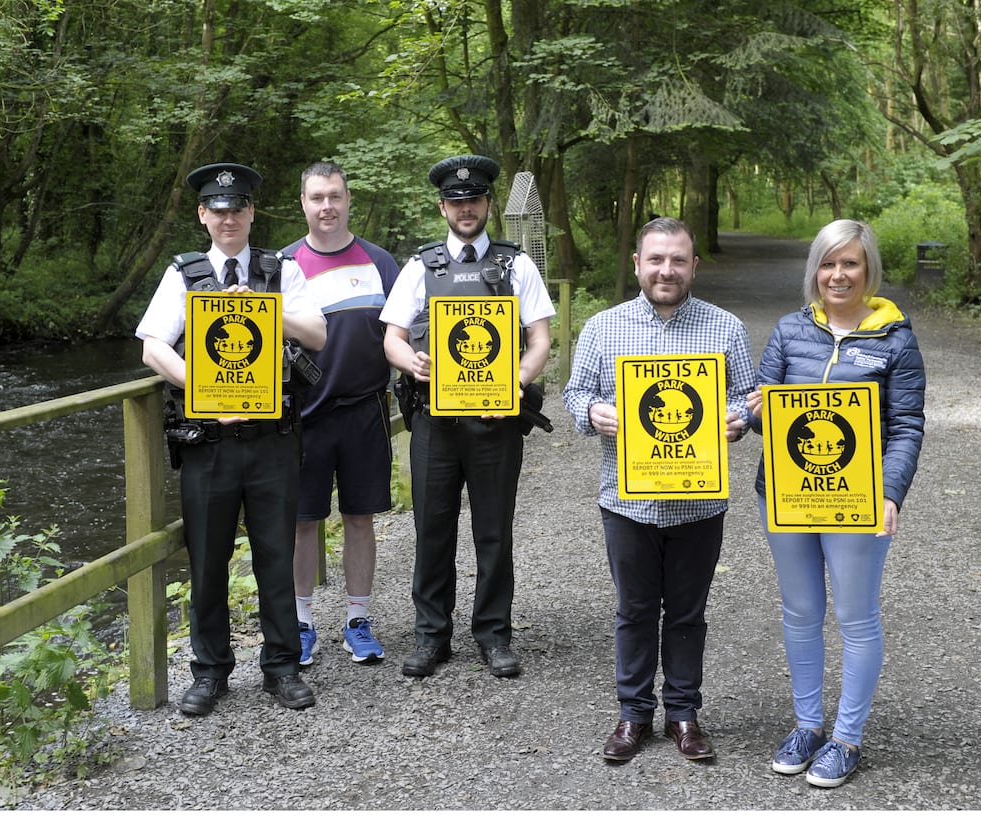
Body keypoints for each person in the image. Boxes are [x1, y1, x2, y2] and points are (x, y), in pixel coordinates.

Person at [562, 217, 757, 763]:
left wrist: (737, 417)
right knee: (635, 609)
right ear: (638, 265)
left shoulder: (726, 329)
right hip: (627, 499)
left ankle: (684, 714)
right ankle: (632, 714)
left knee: (689, 612)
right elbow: (574, 392)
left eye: (677, 260)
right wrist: (592, 412)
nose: (665, 270)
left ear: (693, 265)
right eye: (656, 260)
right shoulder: (604, 328)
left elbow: (750, 397)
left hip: (698, 498)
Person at [136, 162, 326, 716]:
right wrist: (201, 387)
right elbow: (152, 346)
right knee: (207, 559)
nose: (229, 219)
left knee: (274, 554)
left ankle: (282, 668)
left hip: (272, 439)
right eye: (218, 210)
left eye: (238, 209)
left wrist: (265, 310)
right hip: (209, 441)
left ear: (250, 214)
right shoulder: (184, 273)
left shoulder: (279, 269)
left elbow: (317, 333)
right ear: (203, 215)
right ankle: (211, 671)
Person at [745, 219, 925, 787]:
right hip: (785, 495)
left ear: (868, 270)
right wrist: (752, 410)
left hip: (857, 499)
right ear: (814, 271)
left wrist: (891, 492)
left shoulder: (894, 337)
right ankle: (807, 725)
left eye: (850, 263)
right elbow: (760, 414)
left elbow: (905, 425)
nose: (838, 274)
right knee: (800, 613)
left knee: (856, 617)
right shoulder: (790, 329)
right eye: (828, 263)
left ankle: (846, 737)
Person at [380, 154, 555, 679]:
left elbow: (540, 338)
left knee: (494, 531)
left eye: (474, 200)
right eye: (456, 202)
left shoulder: (515, 264)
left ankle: (493, 635)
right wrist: (411, 359)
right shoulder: (421, 266)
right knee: (432, 529)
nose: (466, 209)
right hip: (435, 422)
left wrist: (515, 381)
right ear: (443, 208)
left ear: (487, 205)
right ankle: (431, 636)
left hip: (496, 423)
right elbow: (391, 334)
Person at [282, 161, 400, 667]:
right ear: (303, 204)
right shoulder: (282, 265)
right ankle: (302, 622)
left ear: (348, 199)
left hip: (365, 409)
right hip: (302, 415)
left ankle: (357, 620)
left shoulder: (381, 262)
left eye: (334, 196)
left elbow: (406, 332)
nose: (326, 206)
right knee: (302, 522)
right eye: (316, 198)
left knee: (359, 518)